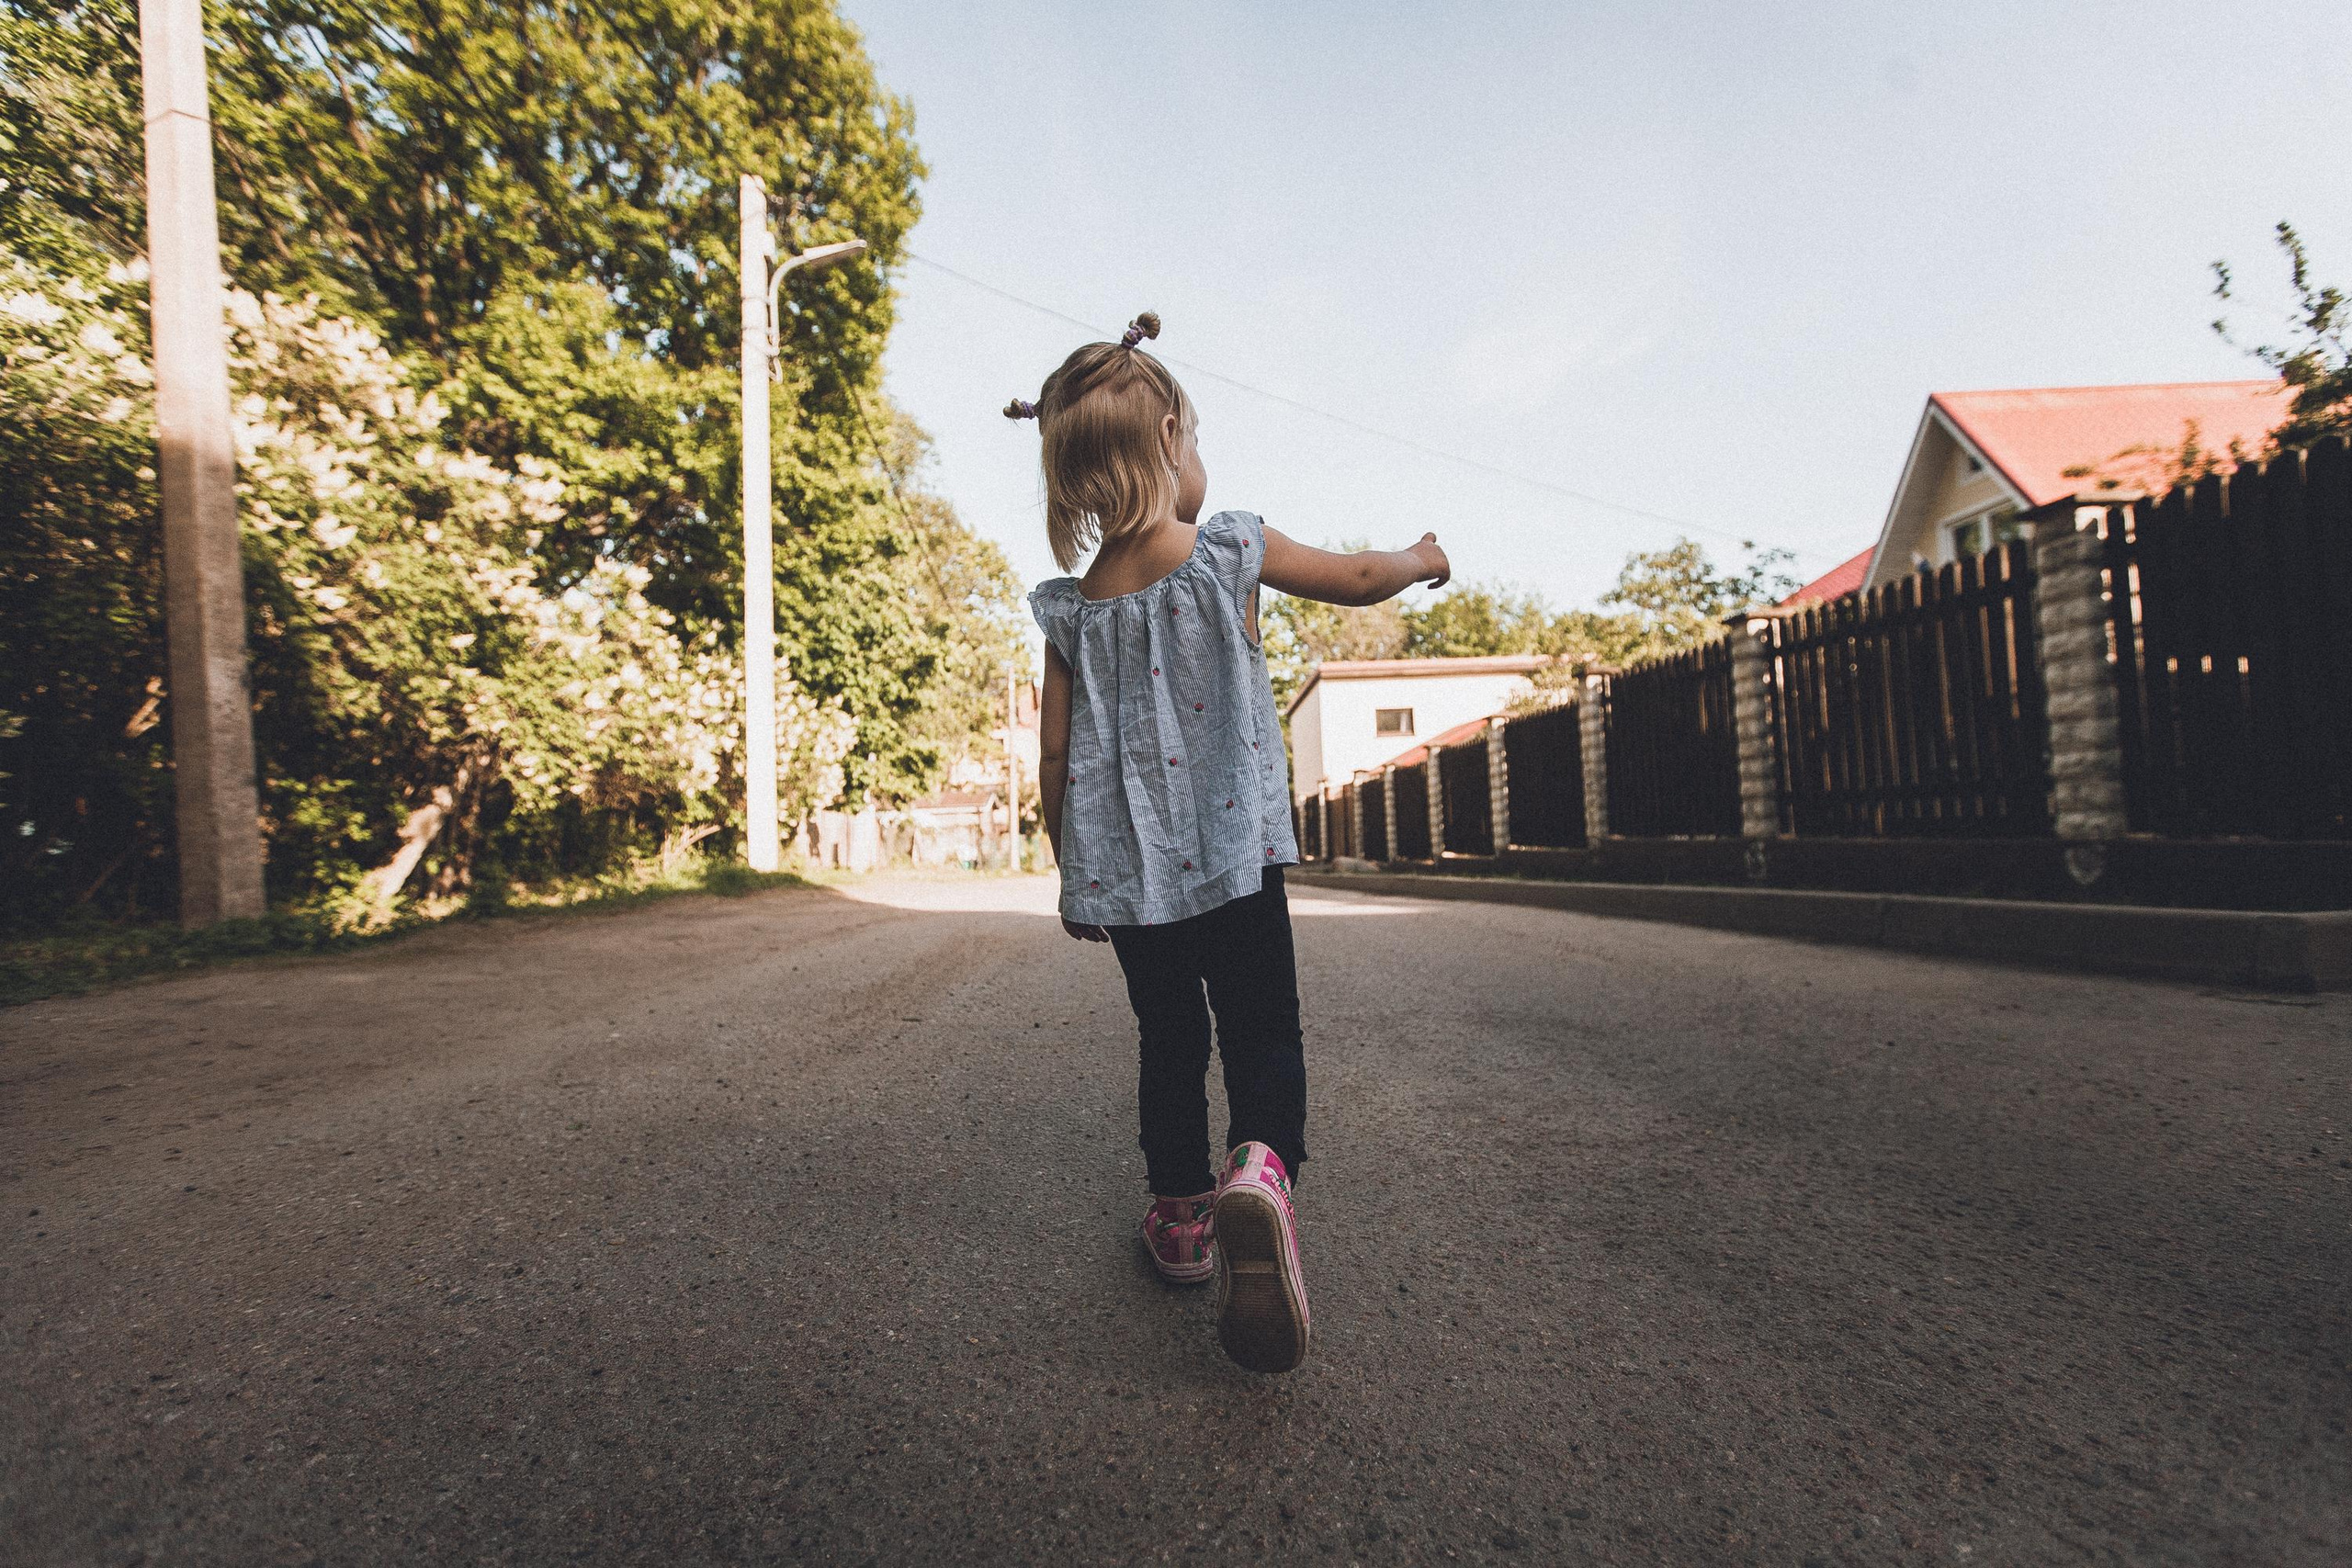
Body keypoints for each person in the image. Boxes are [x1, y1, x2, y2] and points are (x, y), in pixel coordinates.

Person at [1010, 312, 1450, 1374]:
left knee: (1169, 1041)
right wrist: (1421, 556)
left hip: (1132, 888)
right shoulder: (1231, 550)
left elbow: (1056, 759)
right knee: (1262, 1027)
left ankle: (1181, 1218)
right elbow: (1353, 578)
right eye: (1194, 438)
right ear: (1168, 438)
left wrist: (1081, 871)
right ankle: (1261, 1168)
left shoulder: (1069, 613)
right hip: (1238, 866)